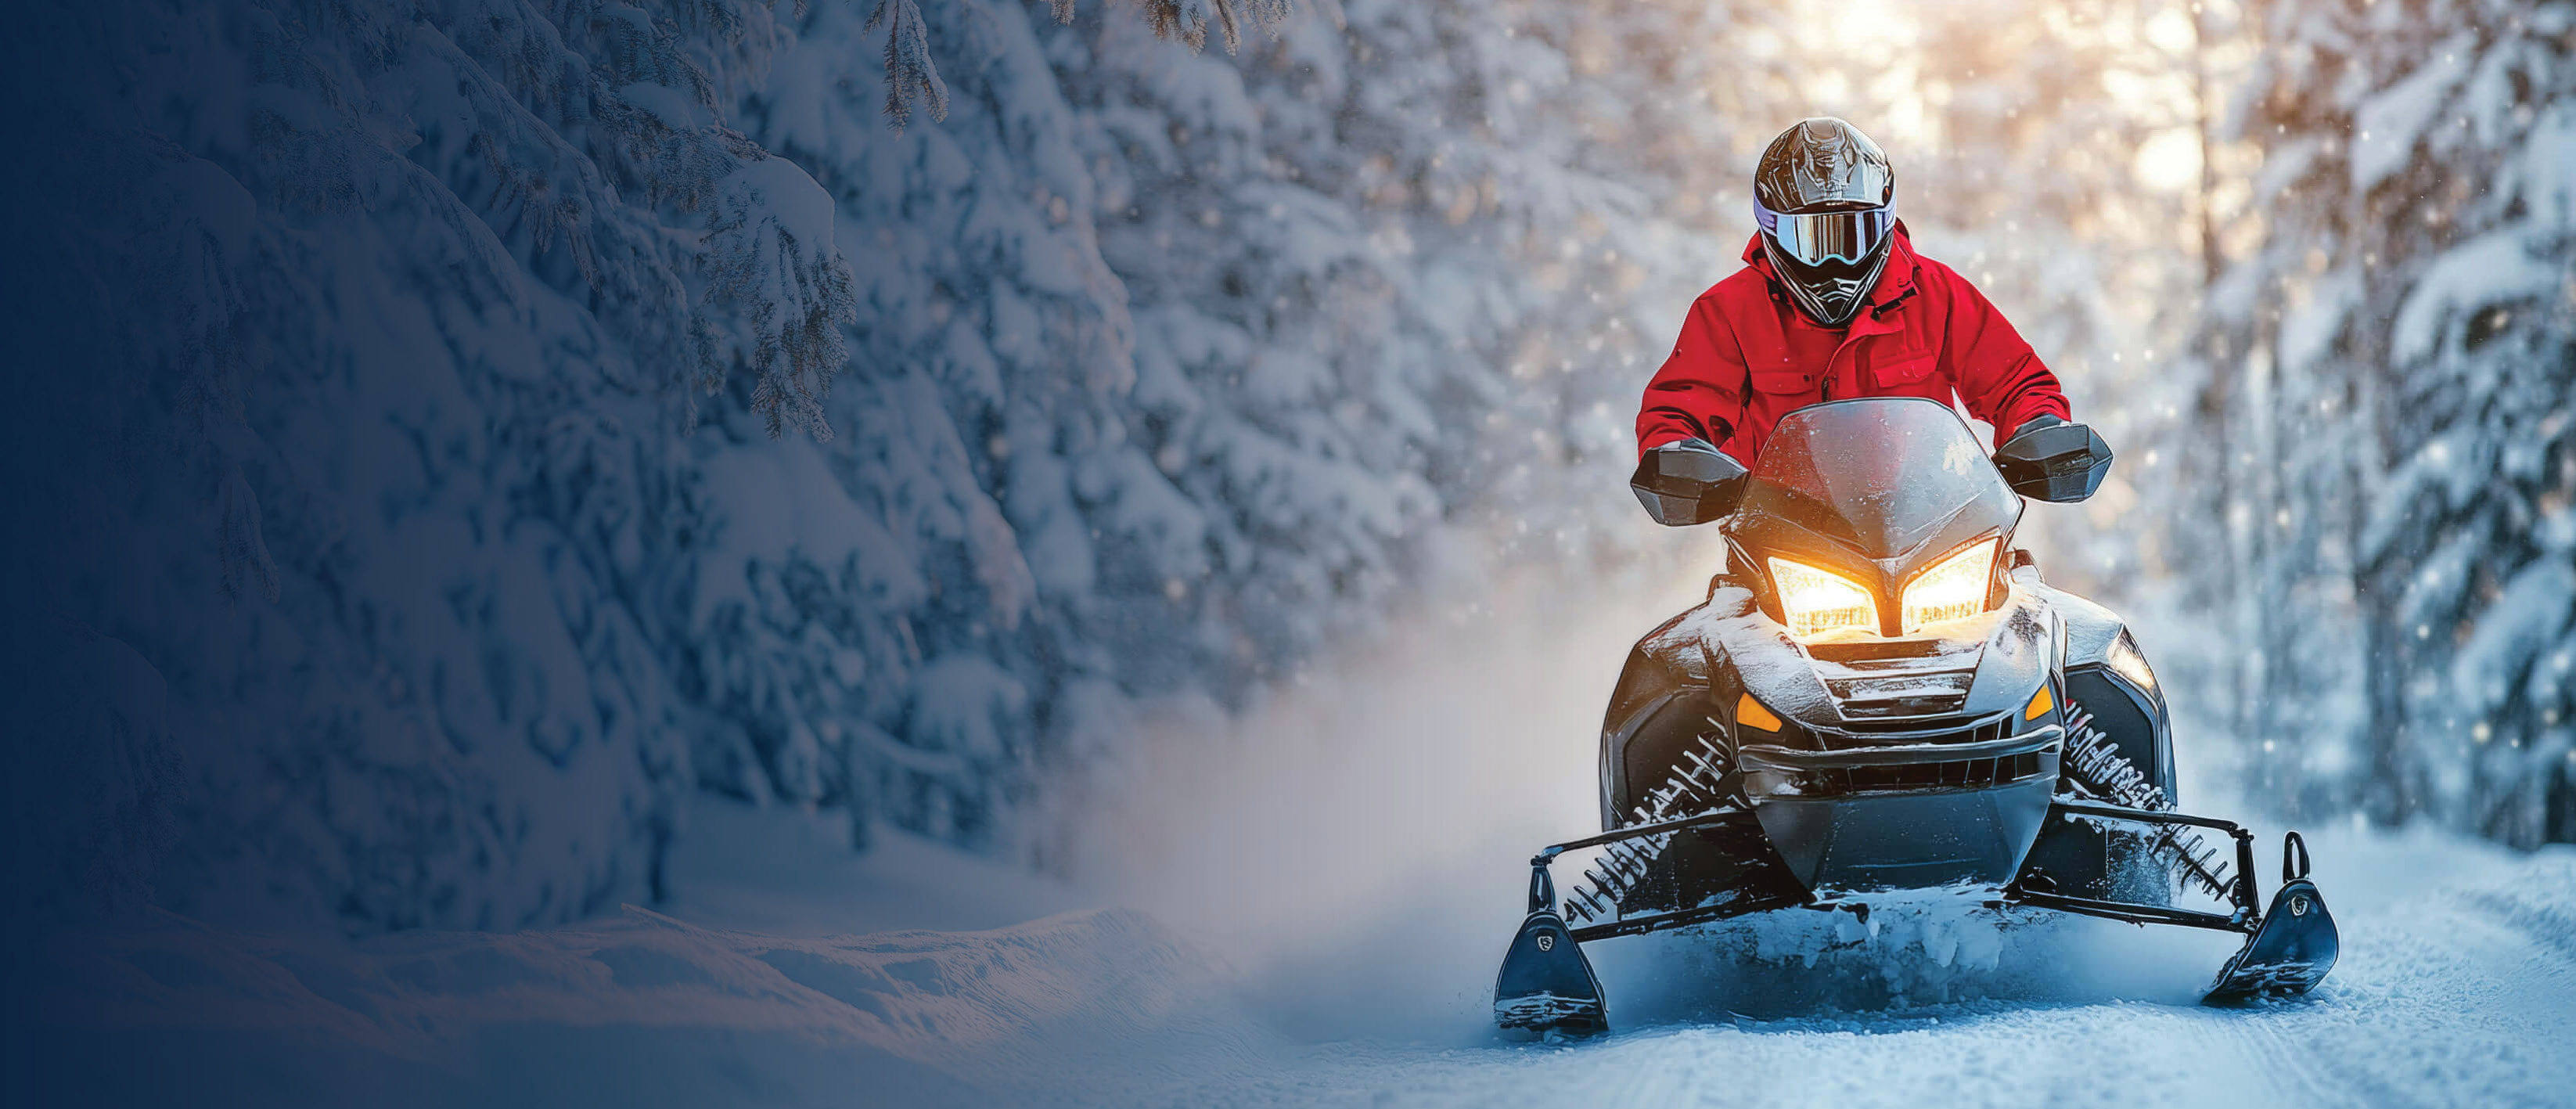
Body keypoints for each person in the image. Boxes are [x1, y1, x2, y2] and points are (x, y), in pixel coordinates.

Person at [1630, 117, 2082, 525]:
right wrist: (1678, 455)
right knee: (1718, 620)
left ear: (1884, 225)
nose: (1833, 262)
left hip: (1934, 527)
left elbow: (2016, 381)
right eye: (1810, 238)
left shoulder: (1935, 294)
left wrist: (2037, 430)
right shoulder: (1731, 311)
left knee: (2035, 612)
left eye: (1852, 235)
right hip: (1784, 536)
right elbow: (1679, 407)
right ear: (1770, 230)